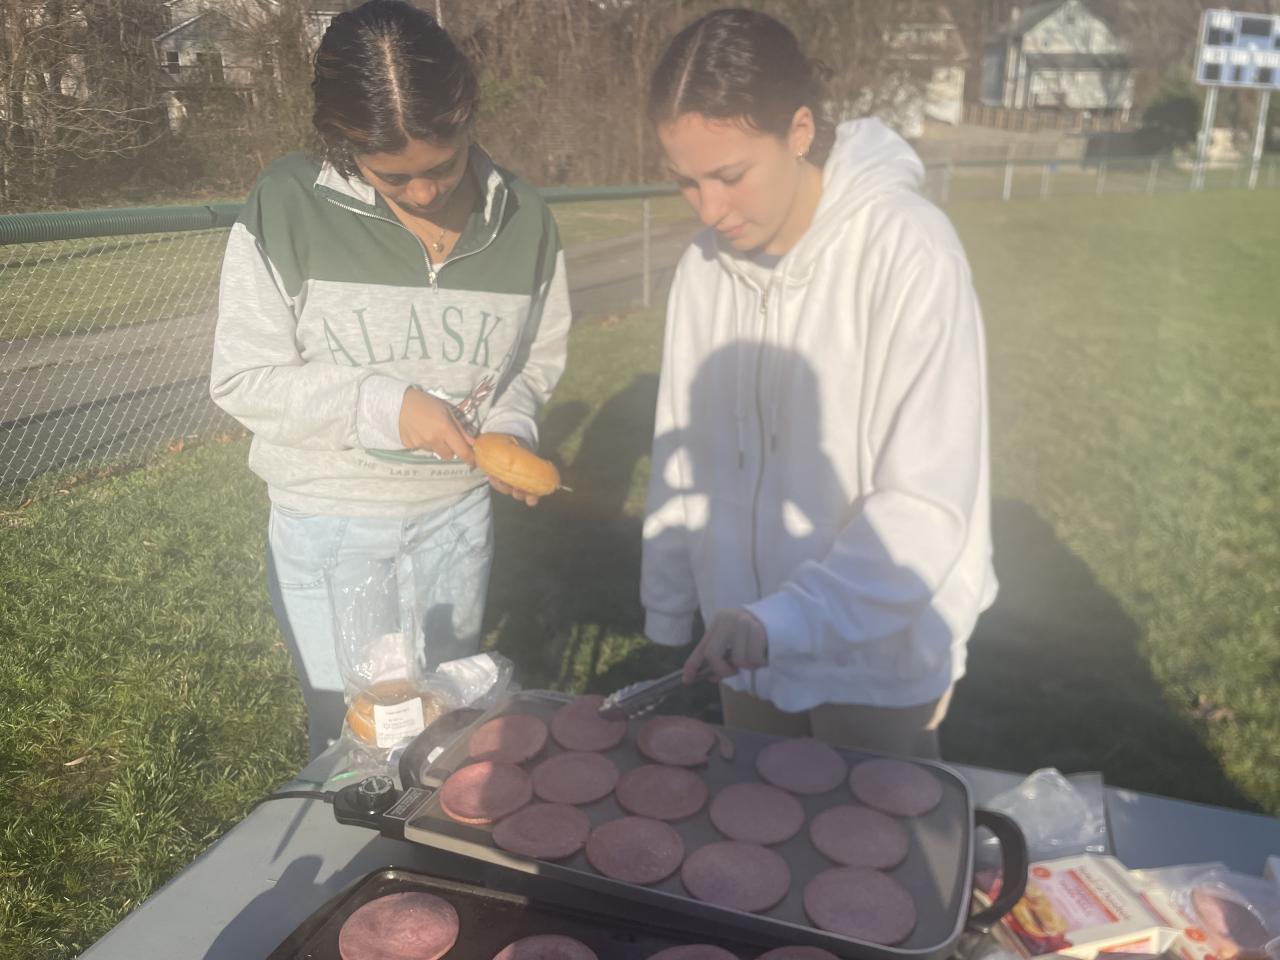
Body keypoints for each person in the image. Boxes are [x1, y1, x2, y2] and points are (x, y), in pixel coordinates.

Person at [210, 0, 570, 758]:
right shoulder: (286, 205)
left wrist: (511, 426)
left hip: (455, 523)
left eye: (443, 167)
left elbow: (534, 358)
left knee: (442, 733)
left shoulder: (526, 219)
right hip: (332, 525)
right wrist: (382, 403)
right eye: (393, 177)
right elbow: (243, 377)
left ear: (467, 118)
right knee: (355, 745)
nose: (426, 193)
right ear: (342, 142)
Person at [641, 8, 996, 759]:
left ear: (799, 130)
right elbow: (683, 444)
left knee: (877, 831)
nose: (710, 210)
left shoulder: (910, 250)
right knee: (753, 823)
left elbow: (926, 502)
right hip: (743, 645)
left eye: (730, 176)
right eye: (686, 183)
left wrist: (787, 620)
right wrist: (671, 607)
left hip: (876, 654)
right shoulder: (703, 268)